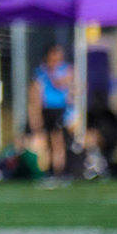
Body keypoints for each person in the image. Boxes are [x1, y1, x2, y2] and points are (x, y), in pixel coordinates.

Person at [28, 44, 73, 177]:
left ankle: (59, 171)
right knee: (45, 142)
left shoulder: (64, 69)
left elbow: (64, 83)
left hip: (59, 108)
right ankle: (48, 170)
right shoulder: (40, 72)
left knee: (57, 140)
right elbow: (35, 92)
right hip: (46, 109)